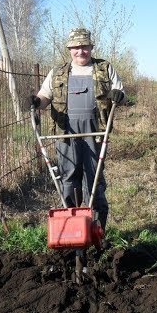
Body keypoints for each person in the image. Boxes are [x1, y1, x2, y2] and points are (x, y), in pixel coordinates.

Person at [28, 27, 126, 281]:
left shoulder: (104, 68)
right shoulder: (59, 72)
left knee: (94, 181)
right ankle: (71, 233)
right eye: (75, 47)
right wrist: (36, 103)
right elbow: (45, 95)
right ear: (69, 49)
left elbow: (120, 91)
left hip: (95, 130)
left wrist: (118, 95)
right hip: (66, 131)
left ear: (91, 48)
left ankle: (97, 231)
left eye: (84, 47)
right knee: (69, 178)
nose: (80, 51)